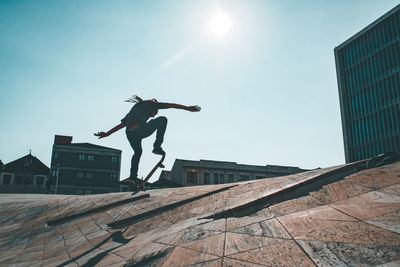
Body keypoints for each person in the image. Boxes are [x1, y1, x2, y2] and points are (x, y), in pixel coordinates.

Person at [94, 95, 201, 188]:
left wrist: (107, 134)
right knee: (163, 119)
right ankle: (157, 147)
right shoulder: (152, 104)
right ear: (155, 107)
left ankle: (132, 177)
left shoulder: (137, 108)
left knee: (137, 153)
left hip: (130, 134)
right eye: (154, 113)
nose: (153, 115)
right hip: (139, 131)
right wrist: (187, 108)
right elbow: (171, 105)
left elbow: (122, 125)